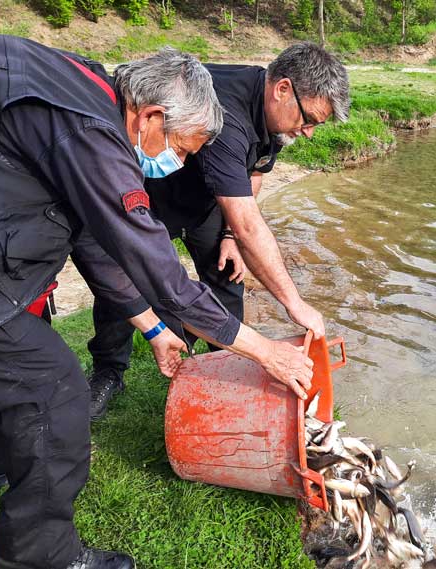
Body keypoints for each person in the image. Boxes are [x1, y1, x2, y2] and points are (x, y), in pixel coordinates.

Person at [0, 34, 314, 569]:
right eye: (184, 149)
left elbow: (92, 245)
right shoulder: (94, 137)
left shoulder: (86, 87)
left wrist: (154, 329)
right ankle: (38, 556)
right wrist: (266, 351)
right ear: (150, 117)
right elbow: (161, 273)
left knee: (15, 368)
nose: (179, 163)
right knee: (54, 390)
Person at [85, 42, 350, 420]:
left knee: (228, 277)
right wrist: (295, 303)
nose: (308, 132)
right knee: (125, 273)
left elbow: (254, 172)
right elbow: (248, 224)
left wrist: (229, 237)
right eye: (309, 120)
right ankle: (109, 371)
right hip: (151, 197)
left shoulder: (276, 114)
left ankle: (226, 366)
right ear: (283, 89)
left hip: (207, 204)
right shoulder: (230, 115)